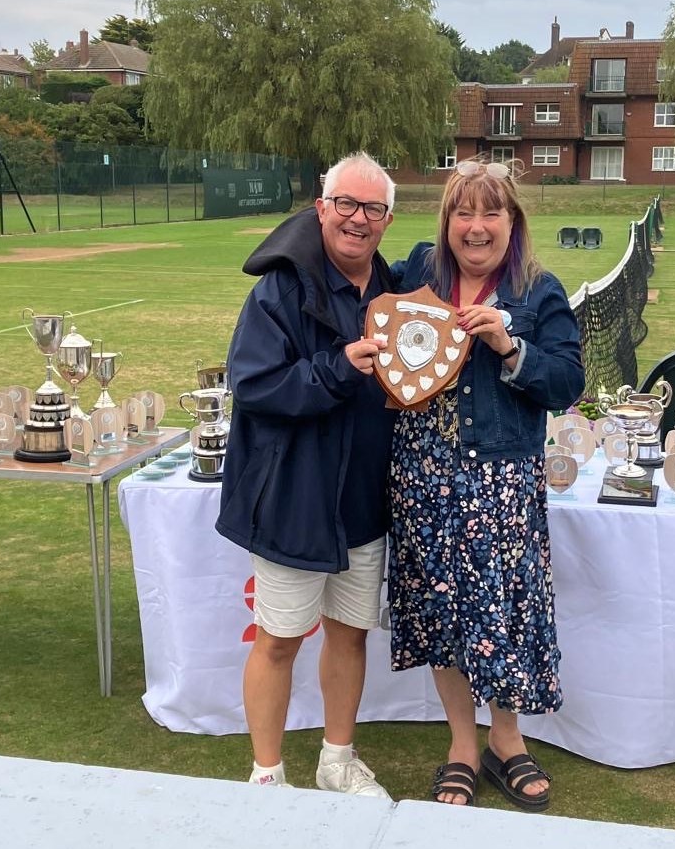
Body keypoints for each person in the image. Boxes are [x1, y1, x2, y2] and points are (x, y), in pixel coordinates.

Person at [387, 157, 585, 811]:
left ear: (513, 221)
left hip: (500, 482)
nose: (475, 227)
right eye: (462, 213)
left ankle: (506, 739)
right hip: (422, 477)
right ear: (445, 223)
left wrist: (510, 348)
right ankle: (462, 745)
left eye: (490, 212)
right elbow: (367, 300)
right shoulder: (420, 271)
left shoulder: (539, 292)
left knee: (499, 616)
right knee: (444, 616)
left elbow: (566, 385)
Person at [216, 152, 398, 798]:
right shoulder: (277, 291)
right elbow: (257, 386)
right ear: (322, 207)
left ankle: (337, 760)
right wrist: (337, 369)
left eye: (372, 208)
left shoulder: (395, 292)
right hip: (294, 498)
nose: (357, 218)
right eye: (345, 203)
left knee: (349, 638)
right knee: (278, 642)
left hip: (364, 503)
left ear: (387, 220)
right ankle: (266, 773)